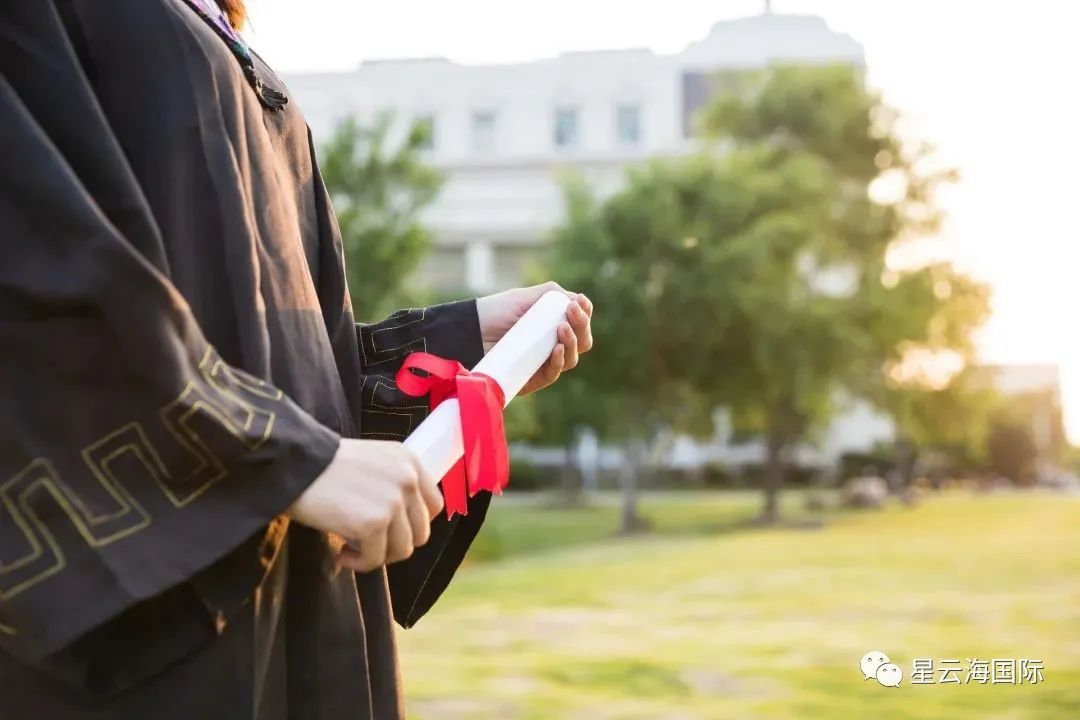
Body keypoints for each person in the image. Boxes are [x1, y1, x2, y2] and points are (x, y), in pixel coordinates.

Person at [0, 1, 594, 718]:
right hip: (161, 625)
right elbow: (34, 275)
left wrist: (453, 347)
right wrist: (276, 452)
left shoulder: (212, 23)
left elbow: (278, 353)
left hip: (300, 595)